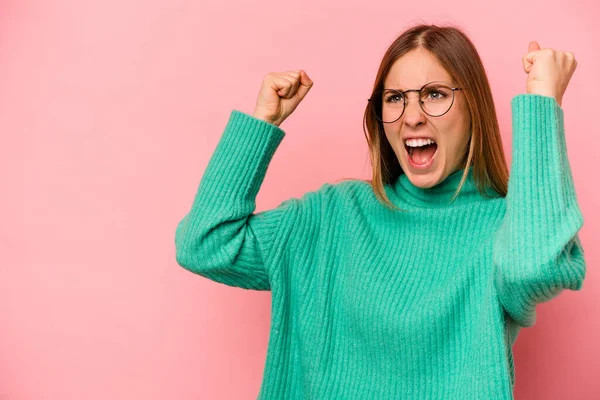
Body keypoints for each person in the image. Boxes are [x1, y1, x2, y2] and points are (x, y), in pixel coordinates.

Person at [174, 23, 585, 399]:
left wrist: (543, 100)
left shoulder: (505, 228)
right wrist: (262, 121)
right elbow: (205, 244)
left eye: (435, 94)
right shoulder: (331, 216)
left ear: (472, 106)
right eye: (395, 99)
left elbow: (534, 270)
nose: (412, 117)